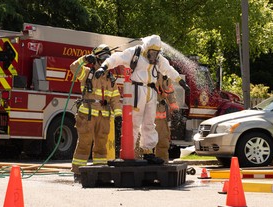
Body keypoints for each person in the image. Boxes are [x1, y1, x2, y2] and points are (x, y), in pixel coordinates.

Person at [95, 35, 190, 164]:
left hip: (151, 92)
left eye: (156, 52)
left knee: (149, 123)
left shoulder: (158, 59)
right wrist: (104, 67)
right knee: (134, 122)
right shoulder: (135, 53)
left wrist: (181, 81)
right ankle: (130, 151)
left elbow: (168, 69)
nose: (154, 55)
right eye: (152, 52)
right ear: (147, 48)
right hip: (137, 89)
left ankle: (148, 152)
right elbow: (116, 58)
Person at [70, 44, 122, 182]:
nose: (105, 61)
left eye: (107, 58)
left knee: (101, 145)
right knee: (84, 143)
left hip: (103, 117)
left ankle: (99, 172)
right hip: (87, 115)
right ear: (97, 59)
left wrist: (118, 115)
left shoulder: (111, 79)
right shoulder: (87, 73)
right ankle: (78, 173)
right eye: (103, 57)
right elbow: (73, 68)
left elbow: (115, 98)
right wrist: (84, 59)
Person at [154, 74, 179, 163]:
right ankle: (141, 162)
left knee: (163, 141)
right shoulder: (144, 69)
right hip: (146, 115)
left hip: (161, 115)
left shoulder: (165, 75)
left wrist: (175, 109)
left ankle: (162, 162)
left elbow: (170, 93)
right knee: (144, 142)